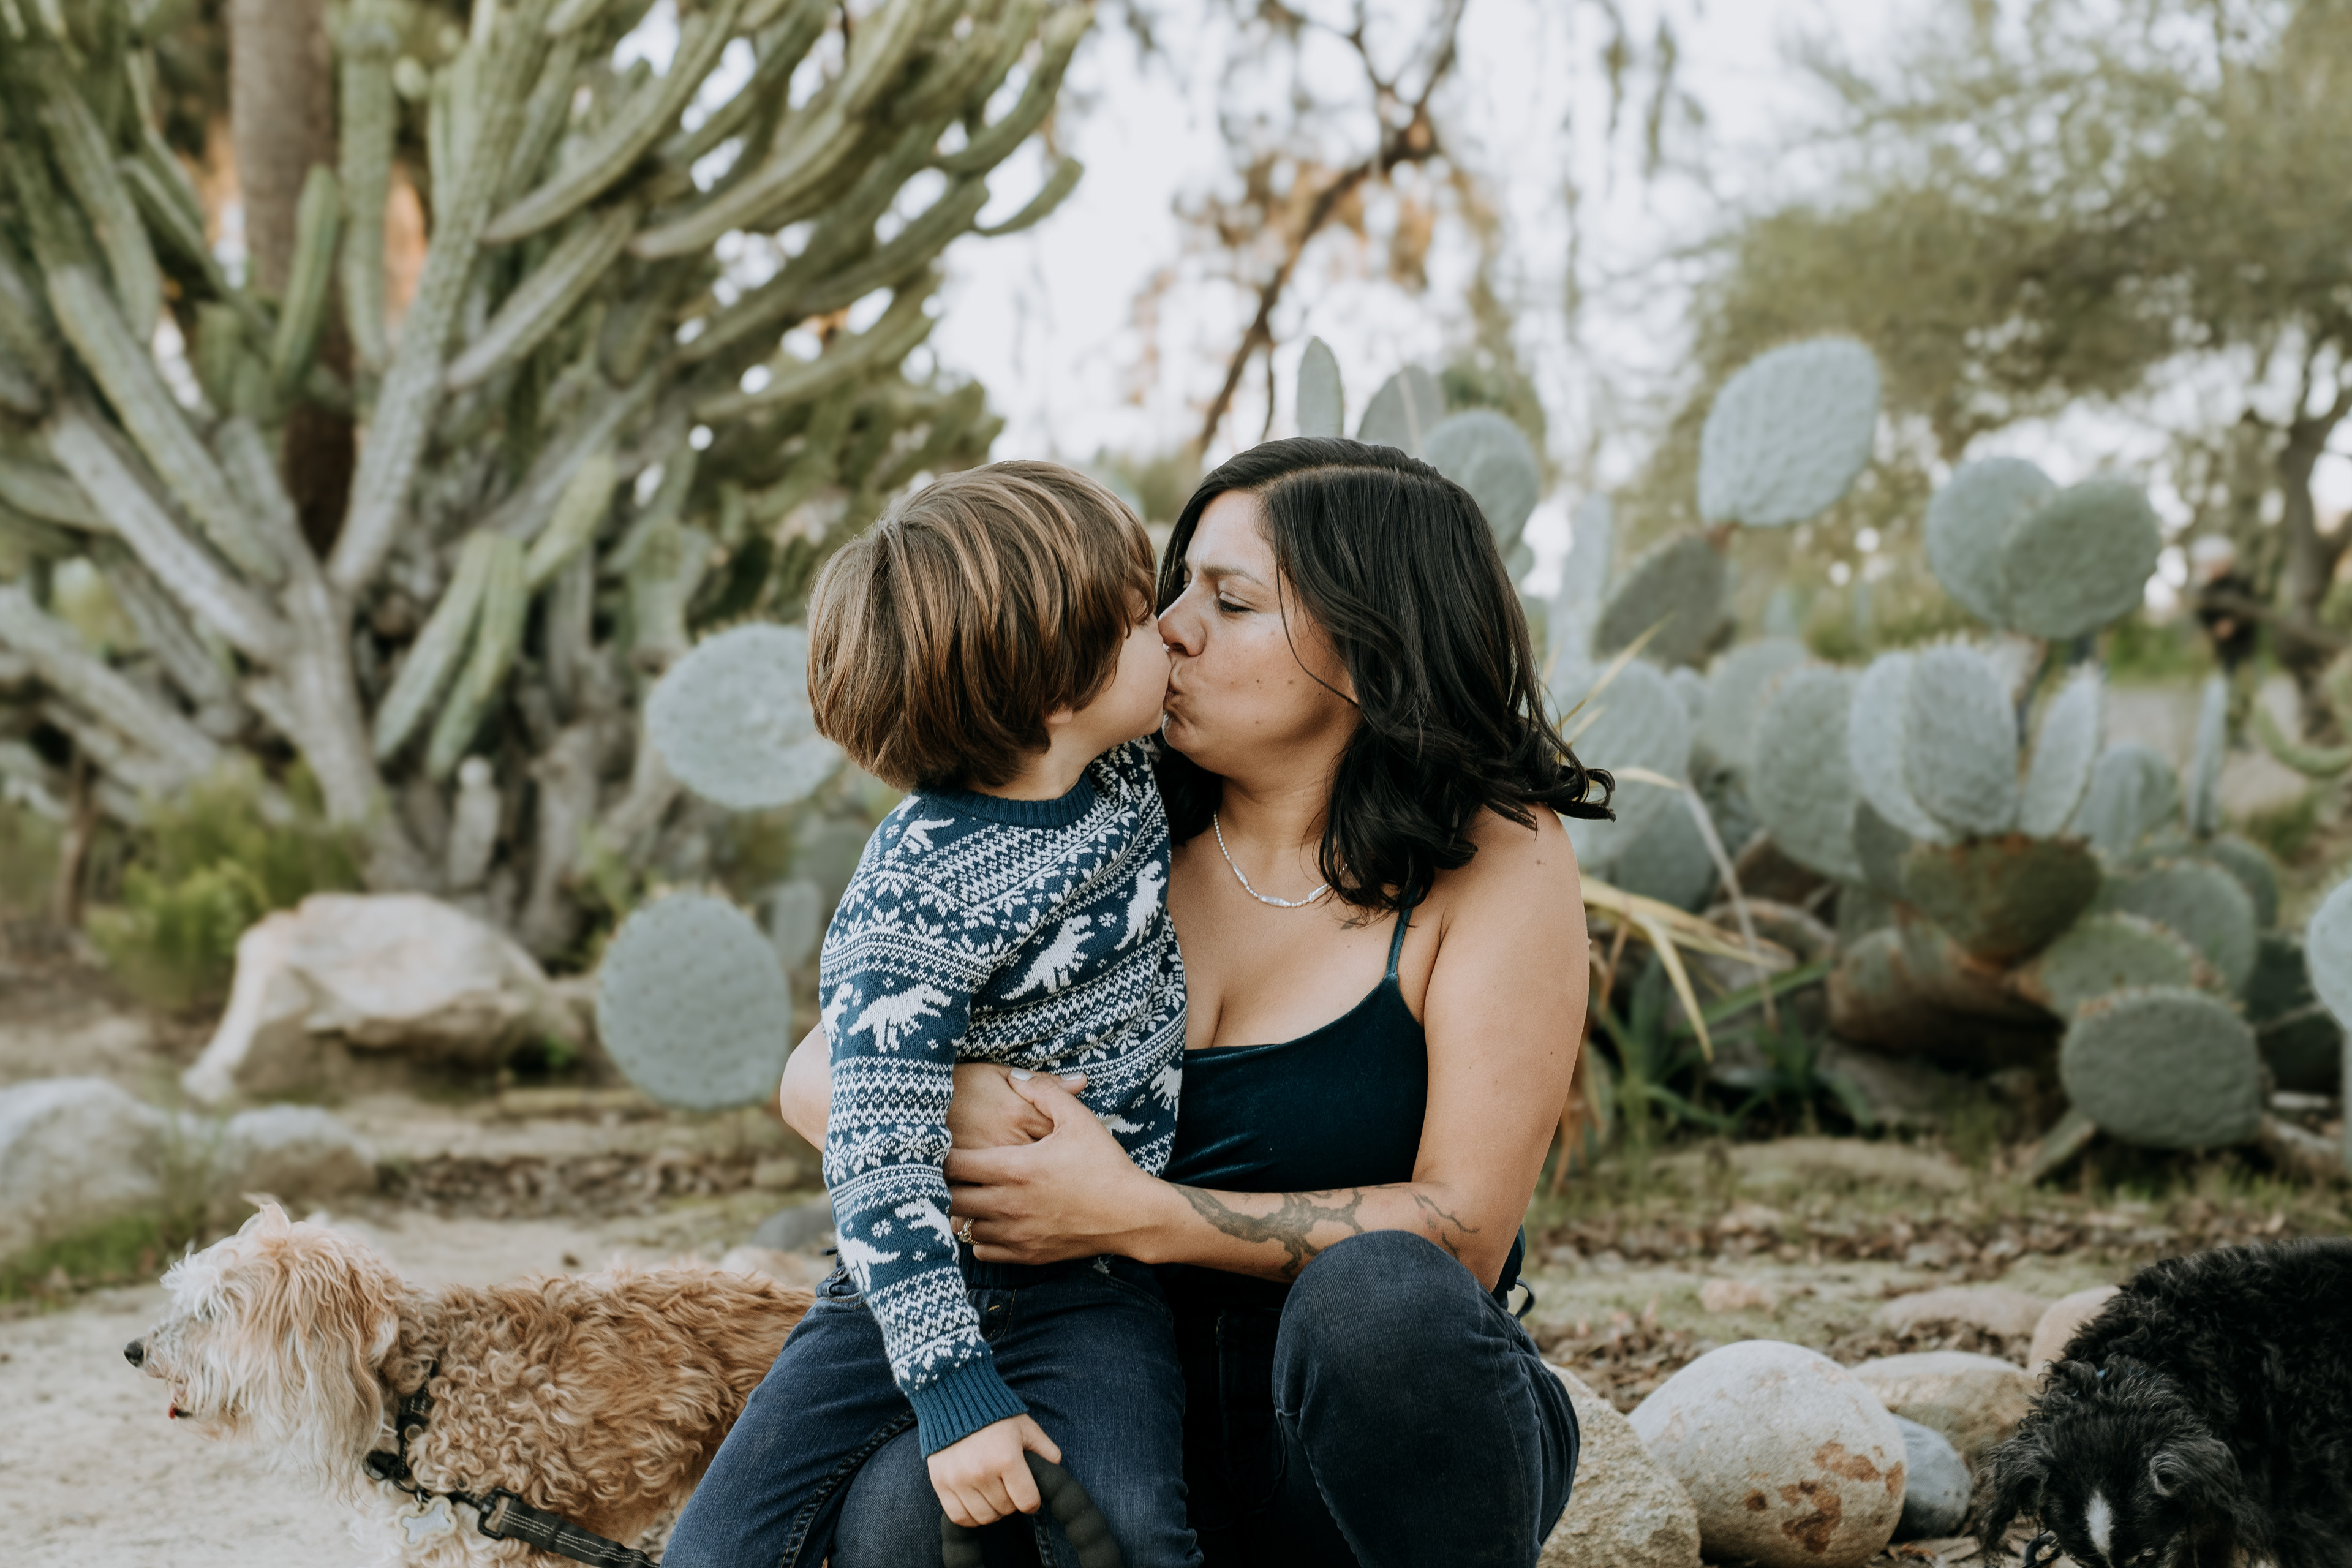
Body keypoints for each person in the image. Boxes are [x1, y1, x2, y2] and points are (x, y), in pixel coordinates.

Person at [774, 436, 1607, 1568]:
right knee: (904, 1512)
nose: (1170, 628)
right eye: (1177, 588)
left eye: (1232, 601)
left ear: (1374, 646)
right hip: (1098, 1401)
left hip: (1356, 1446)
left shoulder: (1494, 854)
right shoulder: (1101, 808)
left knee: (1381, 1303)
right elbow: (819, 1073)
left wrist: (1134, 1212)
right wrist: (964, 1098)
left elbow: (1462, 1235)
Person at [665, 462, 1200, 1568]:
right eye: (1142, 620)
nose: (1175, 636)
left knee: (1131, 1533)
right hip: (903, 1287)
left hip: (1093, 1282)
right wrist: (953, 1392)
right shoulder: (914, 894)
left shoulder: (1129, 779)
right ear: (1058, 686)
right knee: (718, 1551)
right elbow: (878, 1154)